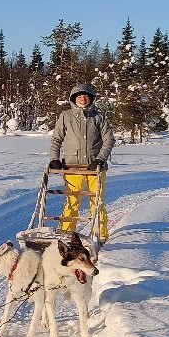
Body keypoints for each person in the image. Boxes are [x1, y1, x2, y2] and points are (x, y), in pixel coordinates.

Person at [48, 83, 115, 244]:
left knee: (96, 201)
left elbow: (109, 140)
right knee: (72, 201)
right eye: (79, 97)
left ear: (91, 99)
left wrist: (100, 159)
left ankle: (101, 235)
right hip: (72, 167)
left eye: (85, 97)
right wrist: (54, 159)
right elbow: (56, 139)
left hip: (95, 168)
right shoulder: (66, 116)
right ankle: (65, 235)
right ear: (73, 99)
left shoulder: (99, 117)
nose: (82, 99)